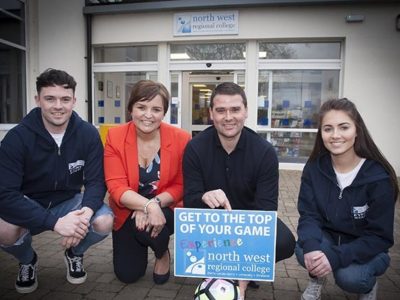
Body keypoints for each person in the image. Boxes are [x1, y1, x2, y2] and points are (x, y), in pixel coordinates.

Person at [0, 68, 114, 294]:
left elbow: (96, 182)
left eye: (65, 99)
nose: (58, 106)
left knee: (104, 221)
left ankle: (75, 253)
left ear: (74, 100)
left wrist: (84, 216)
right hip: (29, 202)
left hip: (68, 201)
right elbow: (4, 195)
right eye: (50, 98)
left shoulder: (88, 134)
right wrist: (56, 223)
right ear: (37, 100)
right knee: (4, 230)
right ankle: (27, 260)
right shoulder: (17, 138)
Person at [183, 82, 296, 299]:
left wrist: (239, 286)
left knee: (284, 241)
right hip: (214, 222)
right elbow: (190, 201)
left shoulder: (265, 153)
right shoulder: (195, 148)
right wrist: (204, 196)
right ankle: (217, 269)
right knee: (188, 232)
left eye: (235, 109)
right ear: (211, 114)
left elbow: (267, 211)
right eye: (221, 110)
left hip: (250, 222)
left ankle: (244, 270)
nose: (228, 117)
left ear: (246, 112)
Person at [295, 98, 398, 300]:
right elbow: (309, 215)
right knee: (304, 249)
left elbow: (380, 236)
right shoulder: (314, 168)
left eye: (343, 127)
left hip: (365, 246)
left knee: (352, 278)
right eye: (328, 129)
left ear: (357, 130)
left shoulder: (378, 177)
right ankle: (317, 277)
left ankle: (368, 288)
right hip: (329, 238)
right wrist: (314, 248)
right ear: (321, 133)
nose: (335, 136)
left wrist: (334, 257)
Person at [104, 80, 191, 284]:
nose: (148, 115)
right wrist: (147, 206)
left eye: (156, 109)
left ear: (164, 112)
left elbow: (181, 185)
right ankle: (151, 243)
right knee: (128, 275)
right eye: (141, 107)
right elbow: (116, 187)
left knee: (144, 224)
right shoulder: (115, 136)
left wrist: (155, 204)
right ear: (131, 108)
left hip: (167, 206)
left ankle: (161, 253)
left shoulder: (181, 138)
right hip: (128, 208)